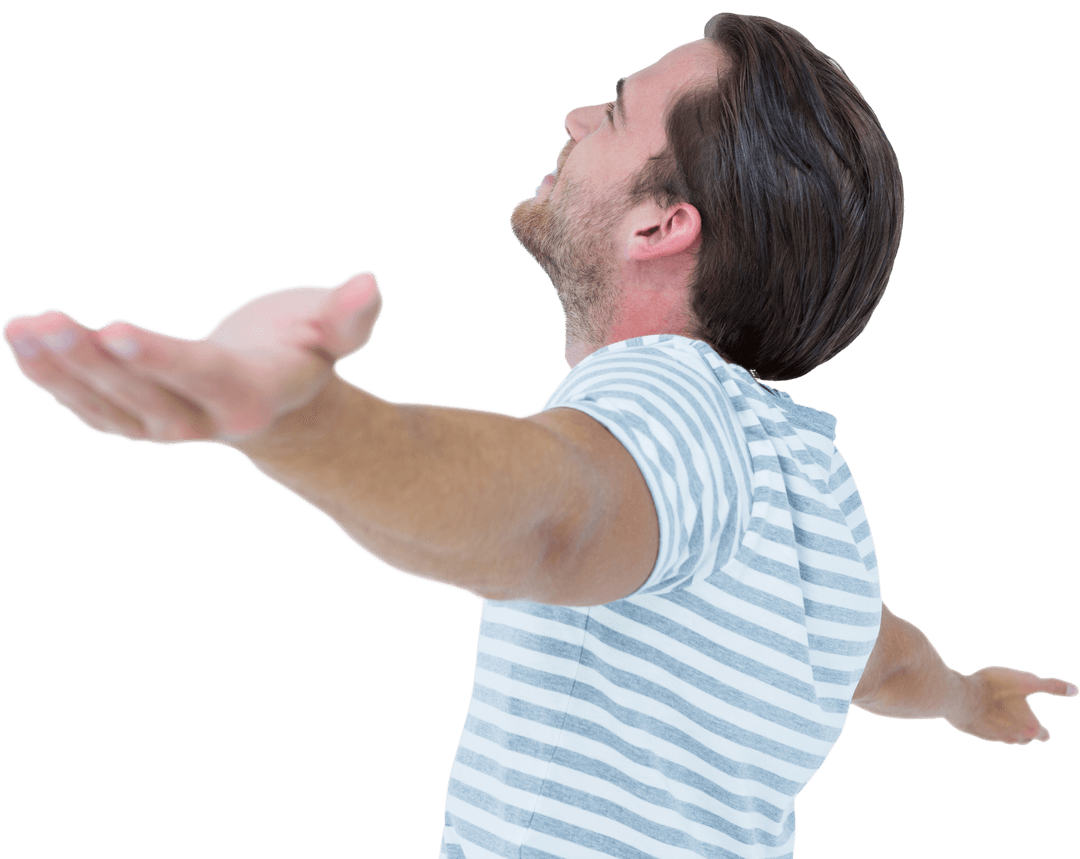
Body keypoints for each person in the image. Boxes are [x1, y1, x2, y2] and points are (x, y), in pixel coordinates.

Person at [2, 11, 1075, 859]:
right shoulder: (815, 483)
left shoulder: (672, 400)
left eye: (613, 110)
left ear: (664, 224)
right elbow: (884, 663)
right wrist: (969, 696)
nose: (574, 116)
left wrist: (306, 420)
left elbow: (560, 515)